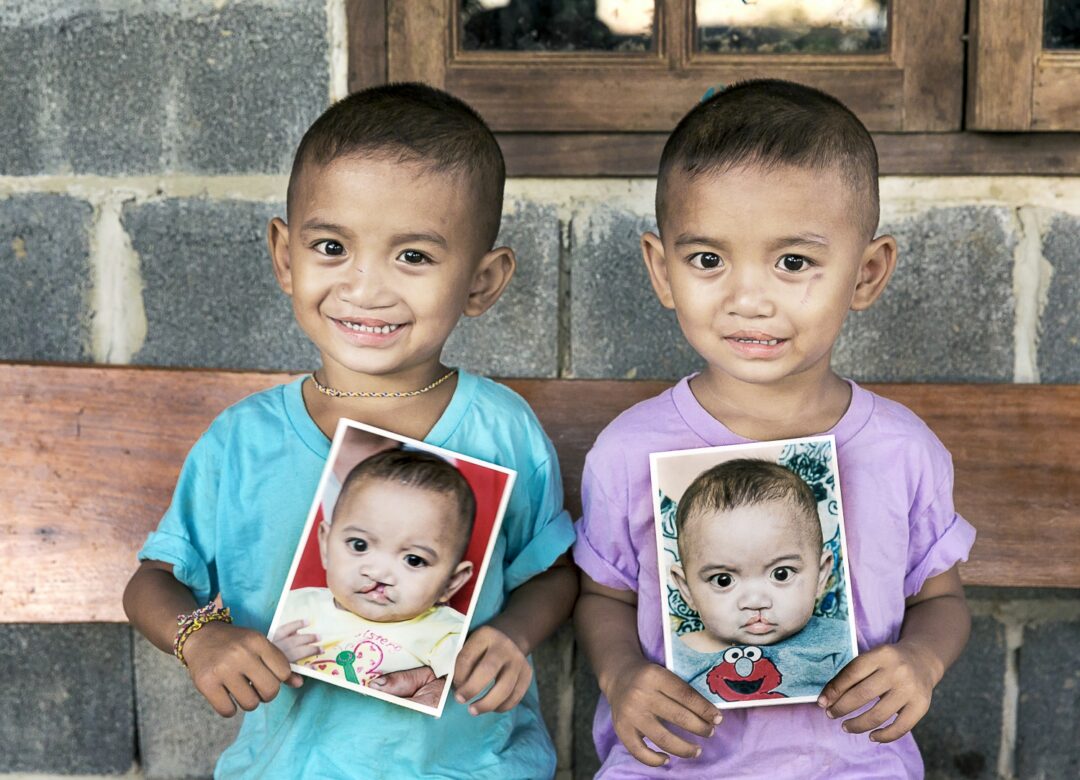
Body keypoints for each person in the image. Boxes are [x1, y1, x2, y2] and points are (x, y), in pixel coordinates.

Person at [122, 83, 577, 778]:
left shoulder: (499, 428)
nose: (366, 287)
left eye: (414, 257)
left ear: (483, 281)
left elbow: (552, 573)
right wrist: (199, 639)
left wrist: (514, 635)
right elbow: (153, 582)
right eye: (332, 246)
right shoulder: (243, 442)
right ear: (284, 255)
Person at [573, 79, 976, 777]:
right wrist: (619, 677)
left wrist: (921, 660)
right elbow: (603, 596)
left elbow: (940, 598)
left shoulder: (903, 451)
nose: (748, 299)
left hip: (852, 762)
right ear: (662, 271)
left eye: (793, 263)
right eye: (708, 260)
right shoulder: (629, 451)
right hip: (673, 761)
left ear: (867, 272)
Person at [273, 449, 477, 699]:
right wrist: (271, 659)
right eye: (359, 545)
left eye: (413, 560)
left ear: (451, 583)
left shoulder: (446, 634)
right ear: (325, 545)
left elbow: (474, 691)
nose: (379, 573)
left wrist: (445, 688)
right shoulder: (293, 608)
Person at [667, 458, 851, 702]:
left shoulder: (840, 643)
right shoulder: (674, 660)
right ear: (686, 589)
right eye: (723, 580)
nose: (755, 601)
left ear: (821, 575)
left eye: (781, 574)